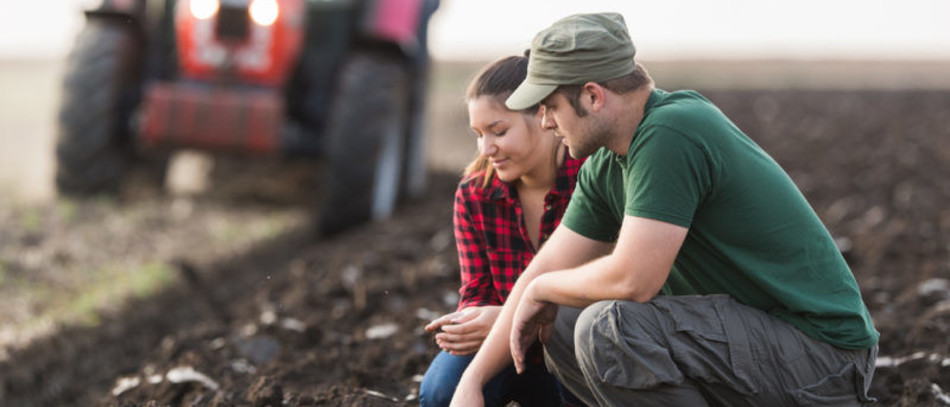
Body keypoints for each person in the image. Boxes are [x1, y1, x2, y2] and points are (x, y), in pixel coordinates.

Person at [450, 12, 879, 407]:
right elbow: (543, 268)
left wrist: (542, 290)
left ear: (593, 96)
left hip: (822, 357)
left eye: (551, 107)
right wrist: (473, 383)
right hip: (747, 345)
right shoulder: (605, 164)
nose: (545, 122)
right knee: (562, 326)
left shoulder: (672, 132)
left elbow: (634, 279)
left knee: (609, 327)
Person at [419, 54, 585, 407]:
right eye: (478, 134)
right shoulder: (475, 193)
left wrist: (511, 317)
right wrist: (469, 321)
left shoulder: (590, 179)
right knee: (440, 391)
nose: (485, 148)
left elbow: (611, 291)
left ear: (543, 116)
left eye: (498, 131)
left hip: (581, 353)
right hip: (506, 353)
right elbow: (477, 290)